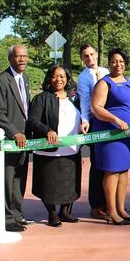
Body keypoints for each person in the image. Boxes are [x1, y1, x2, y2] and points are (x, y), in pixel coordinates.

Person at [27, 64, 88, 227]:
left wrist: (84, 125)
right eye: (55, 76)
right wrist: (47, 130)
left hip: (71, 150)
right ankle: (52, 213)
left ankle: (65, 212)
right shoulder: (41, 98)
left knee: (70, 183)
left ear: (67, 79)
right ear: (49, 78)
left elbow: (83, 117)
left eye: (62, 76)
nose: (58, 79)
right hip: (49, 151)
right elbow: (33, 120)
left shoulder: (74, 98)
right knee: (49, 184)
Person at [90, 48, 130, 225]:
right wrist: (116, 120)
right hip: (112, 134)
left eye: (121, 61)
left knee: (123, 170)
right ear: (109, 63)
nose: (117, 64)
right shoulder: (104, 83)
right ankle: (111, 210)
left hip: (129, 134)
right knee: (112, 171)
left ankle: (121, 208)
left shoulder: (127, 81)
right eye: (114, 61)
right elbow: (96, 108)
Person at [0, 45, 32, 232]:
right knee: (6, 180)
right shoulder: (1, 80)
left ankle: (16, 214)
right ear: (10, 58)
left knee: (18, 180)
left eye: (24, 56)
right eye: (18, 56)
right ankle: (5, 219)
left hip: (23, 141)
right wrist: (14, 132)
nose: (22, 59)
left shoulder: (26, 79)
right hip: (8, 140)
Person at [76, 43, 109, 220]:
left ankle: (108, 202)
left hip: (110, 121)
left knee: (108, 164)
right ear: (82, 58)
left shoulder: (105, 71)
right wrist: (86, 120)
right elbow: (85, 101)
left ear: (96, 54)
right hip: (96, 123)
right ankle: (96, 205)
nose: (89, 58)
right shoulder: (83, 78)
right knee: (97, 165)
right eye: (85, 56)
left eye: (91, 54)